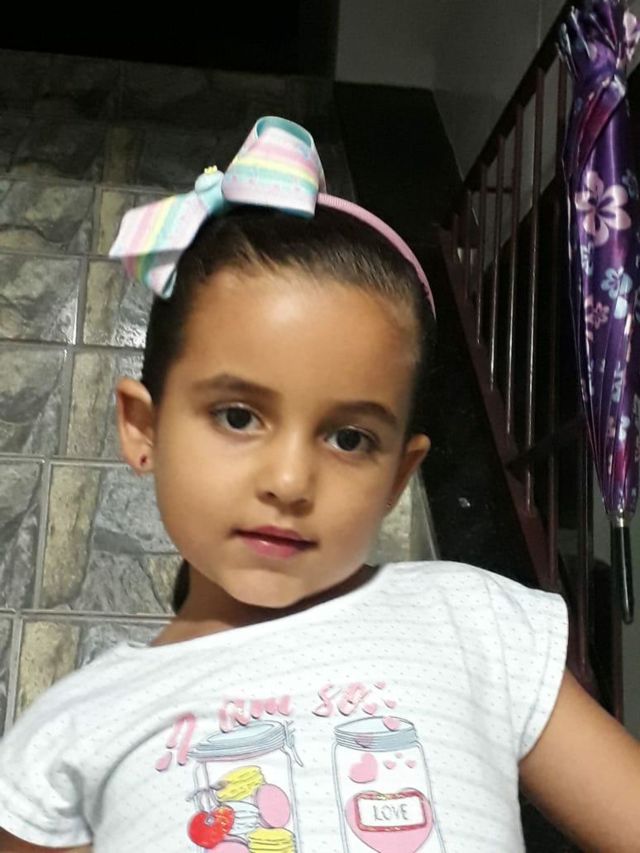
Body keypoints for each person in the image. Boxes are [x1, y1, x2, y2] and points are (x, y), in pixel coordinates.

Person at [0, 117, 638, 853]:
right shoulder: (71, 734)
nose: (289, 481)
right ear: (144, 428)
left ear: (399, 475)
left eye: (349, 438)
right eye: (238, 416)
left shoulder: (473, 623)